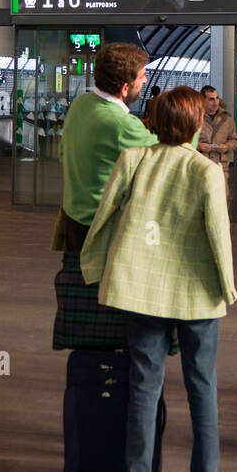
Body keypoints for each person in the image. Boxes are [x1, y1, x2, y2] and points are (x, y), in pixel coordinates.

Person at [81, 87, 237, 472]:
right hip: (197, 295)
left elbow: (103, 217)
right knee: (202, 386)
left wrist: (94, 268)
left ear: (155, 121)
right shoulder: (205, 170)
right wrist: (228, 287)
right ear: (194, 124)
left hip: (142, 291)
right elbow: (219, 238)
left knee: (143, 385)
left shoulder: (134, 160)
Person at [51, 42, 157, 350]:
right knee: (110, 308)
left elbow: (61, 152)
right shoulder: (120, 123)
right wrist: (191, 128)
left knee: (82, 298)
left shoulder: (81, 105)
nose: (146, 80)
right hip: (103, 228)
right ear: (125, 87)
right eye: (141, 77)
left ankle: (87, 369)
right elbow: (167, 155)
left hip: (74, 218)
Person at [198, 85, 237, 196]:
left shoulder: (227, 119)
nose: (216, 102)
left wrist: (227, 147)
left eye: (217, 98)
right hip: (200, 167)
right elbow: (184, 140)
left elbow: (234, 139)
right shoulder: (194, 117)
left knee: (223, 201)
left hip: (221, 167)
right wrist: (199, 146)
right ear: (202, 100)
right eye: (211, 99)